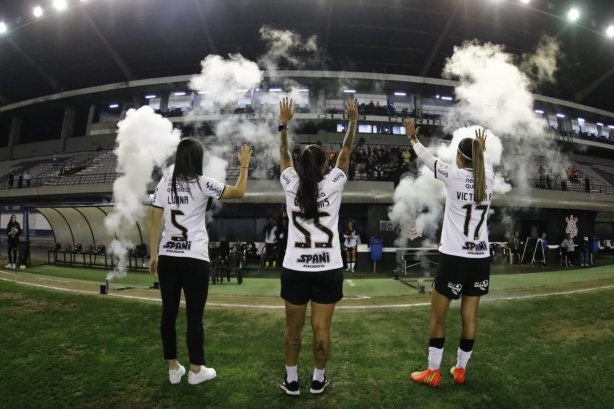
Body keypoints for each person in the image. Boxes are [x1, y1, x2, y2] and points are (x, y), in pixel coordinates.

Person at [149, 138, 252, 385]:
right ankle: (196, 370)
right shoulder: (203, 183)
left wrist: (154, 255)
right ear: (197, 158)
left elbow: (154, 223)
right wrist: (245, 166)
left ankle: (174, 369)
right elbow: (238, 192)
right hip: (195, 258)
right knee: (194, 316)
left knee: (168, 314)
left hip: (168, 258)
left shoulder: (164, 184)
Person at [405, 118, 494, 387]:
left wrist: (412, 137)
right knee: (469, 315)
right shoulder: (488, 176)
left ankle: (433, 371)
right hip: (480, 257)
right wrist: (481, 150)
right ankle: (461, 369)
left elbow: (425, 157)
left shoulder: (452, 175)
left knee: (438, 316)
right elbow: (482, 165)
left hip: (454, 256)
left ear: (459, 156)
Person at [278, 97, 358, 396]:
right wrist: (352, 120)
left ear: (300, 165)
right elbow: (347, 152)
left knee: (292, 329)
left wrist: (284, 124)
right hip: (328, 268)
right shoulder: (335, 182)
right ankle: (317, 379)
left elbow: (284, 154)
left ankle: (292, 380)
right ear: (326, 165)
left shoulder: (289, 183)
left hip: (295, 268)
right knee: (321, 329)